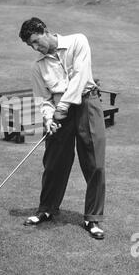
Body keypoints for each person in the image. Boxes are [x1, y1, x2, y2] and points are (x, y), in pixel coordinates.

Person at [19, 17, 106, 240]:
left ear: (46, 31)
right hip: (59, 111)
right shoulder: (38, 67)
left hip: (87, 103)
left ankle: (92, 218)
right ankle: (46, 209)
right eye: (31, 46)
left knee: (94, 162)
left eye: (37, 42)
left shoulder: (78, 41)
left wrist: (64, 105)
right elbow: (43, 98)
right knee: (54, 162)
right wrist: (49, 117)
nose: (36, 48)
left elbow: (80, 76)